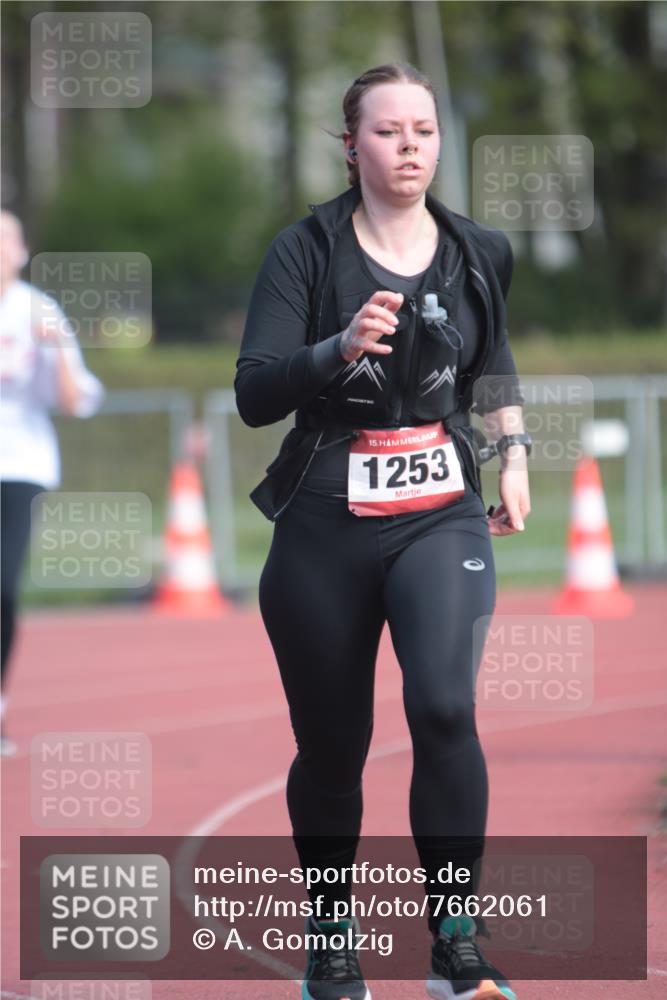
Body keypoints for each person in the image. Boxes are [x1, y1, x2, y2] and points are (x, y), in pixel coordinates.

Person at [235, 63, 531, 1000]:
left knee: (444, 708)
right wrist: (336, 348)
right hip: (324, 516)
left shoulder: (477, 249)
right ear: (350, 144)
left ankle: (455, 940)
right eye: (389, 131)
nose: (410, 147)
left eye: (425, 131)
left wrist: (514, 450)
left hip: (440, 511)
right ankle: (332, 935)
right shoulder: (306, 250)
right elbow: (253, 392)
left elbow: (493, 362)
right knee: (332, 746)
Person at [0, 210, 104, 756]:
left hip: (19, 462)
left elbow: (74, 400)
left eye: (5, 241)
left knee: (2, 585)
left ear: (21, 251)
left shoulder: (40, 312)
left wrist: (56, 348)